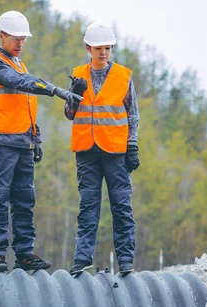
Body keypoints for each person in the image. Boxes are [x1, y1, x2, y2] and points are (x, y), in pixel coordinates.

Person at [0, 11, 83, 273]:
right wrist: (54, 90)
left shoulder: (19, 64)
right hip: (0, 141)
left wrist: (35, 138)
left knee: (25, 200)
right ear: (1, 35)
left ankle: (24, 253)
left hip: (22, 143)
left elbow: (25, 106)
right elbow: (20, 83)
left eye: (23, 39)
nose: (20, 43)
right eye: (15, 38)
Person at [65, 21, 140, 276]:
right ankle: (81, 259)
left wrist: (132, 146)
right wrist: (74, 94)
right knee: (88, 208)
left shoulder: (123, 76)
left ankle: (126, 261)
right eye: (98, 48)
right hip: (87, 152)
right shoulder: (78, 75)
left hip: (116, 153)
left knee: (121, 207)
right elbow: (69, 114)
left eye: (107, 48)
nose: (103, 52)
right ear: (88, 48)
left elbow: (132, 115)